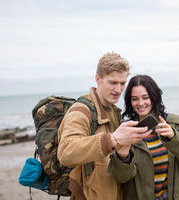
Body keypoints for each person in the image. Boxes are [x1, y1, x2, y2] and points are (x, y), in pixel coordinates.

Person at [57, 53, 151, 200]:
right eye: (113, 83)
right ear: (98, 79)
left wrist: (123, 155)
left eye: (122, 83)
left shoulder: (114, 111)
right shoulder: (80, 112)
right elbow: (66, 152)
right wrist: (112, 140)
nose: (119, 89)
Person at [109, 75, 179, 200]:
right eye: (135, 99)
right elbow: (122, 178)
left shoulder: (173, 123)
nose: (140, 103)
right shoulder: (126, 131)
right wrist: (123, 158)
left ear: (154, 97)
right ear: (130, 101)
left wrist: (174, 138)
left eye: (145, 97)